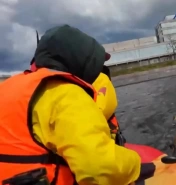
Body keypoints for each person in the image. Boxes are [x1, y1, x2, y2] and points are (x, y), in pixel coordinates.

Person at [0, 25, 140, 185]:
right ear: (78, 60)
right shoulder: (64, 93)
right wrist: (135, 163)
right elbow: (99, 168)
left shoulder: (6, 88)